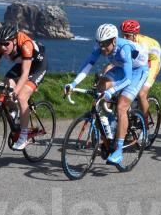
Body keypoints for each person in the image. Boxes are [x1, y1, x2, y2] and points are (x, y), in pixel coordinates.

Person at [64, 24, 149, 165]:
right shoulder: (100, 46)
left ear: (114, 40)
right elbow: (88, 65)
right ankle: (109, 124)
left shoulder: (124, 49)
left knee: (122, 106)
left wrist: (111, 92)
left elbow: (127, 79)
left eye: (106, 45)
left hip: (137, 71)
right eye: (100, 44)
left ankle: (119, 150)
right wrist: (73, 84)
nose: (103, 48)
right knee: (100, 87)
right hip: (121, 68)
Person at [0, 25, 48, 150]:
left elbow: (25, 74)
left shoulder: (25, 44)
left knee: (22, 97)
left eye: (6, 44)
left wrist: (16, 91)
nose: (3, 47)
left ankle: (23, 137)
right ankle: (14, 111)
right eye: (0, 43)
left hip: (37, 66)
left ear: (14, 41)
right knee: (6, 84)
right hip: (22, 63)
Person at [120, 19, 161, 124]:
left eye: (127, 36)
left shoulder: (142, 45)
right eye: (123, 35)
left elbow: (139, 65)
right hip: (140, 61)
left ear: (134, 35)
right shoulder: (126, 41)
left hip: (151, 61)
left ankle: (145, 125)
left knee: (141, 93)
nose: (124, 38)